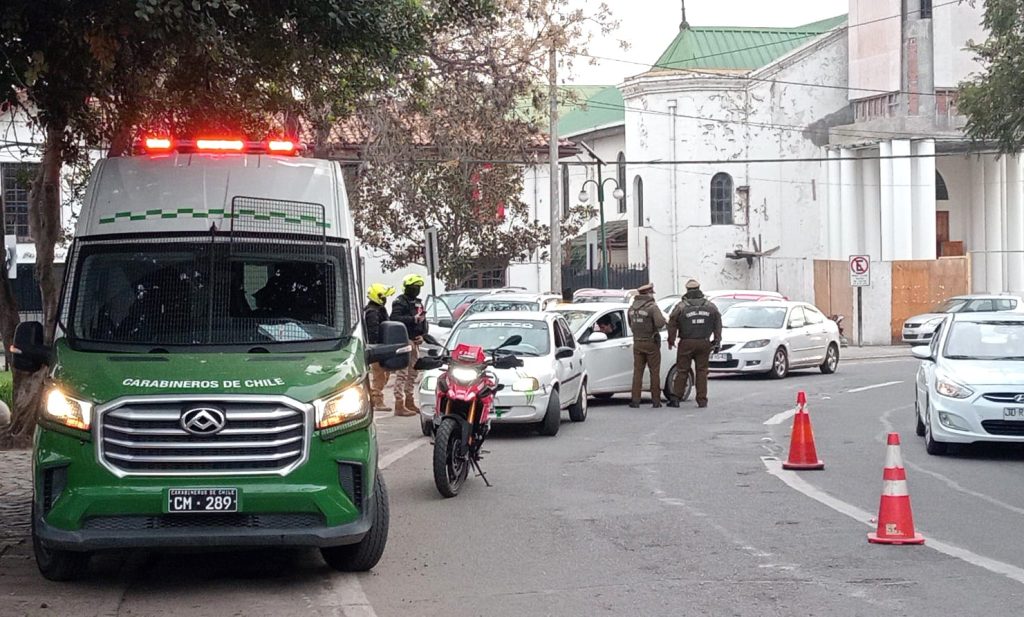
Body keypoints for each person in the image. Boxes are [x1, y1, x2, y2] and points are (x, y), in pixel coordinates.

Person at [667, 279, 722, 409]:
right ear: (699, 289)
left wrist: (671, 340)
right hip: (704, 342)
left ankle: (676, 399)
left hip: (686, 342)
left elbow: (672, 323)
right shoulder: (711, 306)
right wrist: (717, 340)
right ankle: (702, 400)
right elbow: (718, 324)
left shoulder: (681, 307)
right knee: (702, 372)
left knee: (682, 370)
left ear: (687, 290)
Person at [390, 274, 428, 416]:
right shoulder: (400, 302)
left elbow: (423, 320)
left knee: (413, 373)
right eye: (414, 287)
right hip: (404, 339)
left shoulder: (418, 303)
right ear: (407, 287)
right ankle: (399, 404)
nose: (416, 290)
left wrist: (422, 335)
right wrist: (413, 319)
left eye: (418, 287)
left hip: (415, 340)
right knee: (402, 373)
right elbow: (395, 318)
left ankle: (409, 401)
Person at [628, 283, 667, 408]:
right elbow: (660, 323)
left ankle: (635, 400)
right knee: (654, 372)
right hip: (651, 343)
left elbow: (631, 325)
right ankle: (656, 401)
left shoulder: (632, 308)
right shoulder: (652, 307)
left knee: (637, 372)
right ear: (649, 294)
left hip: (637, 342)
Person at [364, 282, 396, 413]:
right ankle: (377, 400)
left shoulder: (379, 310)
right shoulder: (372, 312)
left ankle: (374, 397)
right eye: (383, 297)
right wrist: (378, 347)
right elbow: (373, 332)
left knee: (384, 374)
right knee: (379, 375)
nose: (385, 299)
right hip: (377, 348)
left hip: (382, 347)